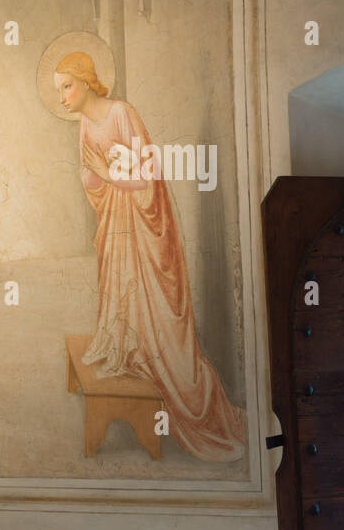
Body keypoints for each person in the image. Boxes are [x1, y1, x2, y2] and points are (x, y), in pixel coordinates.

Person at [54, 51, 246, 462]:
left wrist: (106, 174)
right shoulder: (86, 123)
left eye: (66, 86)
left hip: (144, 221)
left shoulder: (122, 113)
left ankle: (172, 375)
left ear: (86, 81)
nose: (62, 97)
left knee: (152, 301)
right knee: (117, 286)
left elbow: (146, 178)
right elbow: (91, 179)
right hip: (116, 221)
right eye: (58, 90)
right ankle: (125, 345)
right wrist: (95, 178)